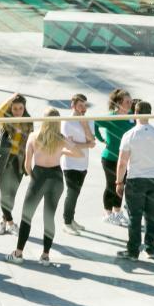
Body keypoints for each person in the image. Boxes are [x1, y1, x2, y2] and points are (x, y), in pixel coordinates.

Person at [8, 108, 81, 266]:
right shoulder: (61, 139)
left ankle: (18, 253)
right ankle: (45, 256)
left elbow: (27, 165)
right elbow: (79, 154)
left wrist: (32, 176)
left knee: (27, 216)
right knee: (49, 217)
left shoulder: (34, 137)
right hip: (56, 177)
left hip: (39, 176)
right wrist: (63, 152)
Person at [116, 101, 154, 261]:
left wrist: (119, 182)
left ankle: (133, 250)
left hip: (136, 179)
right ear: (150, 113)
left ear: (135, 113)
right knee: (152, 215)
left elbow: (122, 162)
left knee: (134, 216)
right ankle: (151, 248)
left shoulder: (129, 135)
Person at [0, 93, 32, 236]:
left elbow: (31, 144)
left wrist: (29, 162)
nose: (18, 111)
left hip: (18, 161)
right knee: (4, 193)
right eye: (14, 108)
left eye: (21, 108)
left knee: (11, 194)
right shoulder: (6, 120)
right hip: (3, 160)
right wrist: (9, 100)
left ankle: (3, 222)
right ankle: (10, 222)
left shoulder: (29, 122)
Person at [95, 88, 135, 226]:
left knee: (121, 186)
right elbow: (95, 123)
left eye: (131, 101)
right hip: (110, 158)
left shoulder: (131, 117)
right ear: (118, 103)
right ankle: (108, 214)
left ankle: (117, 212)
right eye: (127, 102)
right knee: (111, 185)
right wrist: (101, 139)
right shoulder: (111, 116)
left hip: (124, 159)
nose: (130, 104)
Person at [60, 94, 96, 235]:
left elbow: (92, 141)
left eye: (85, 105)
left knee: (76, 193)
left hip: (83, 163)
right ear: (73, 105)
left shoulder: (88, 120)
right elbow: (68, 144)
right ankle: (66, 223)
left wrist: (85, 125)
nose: (83, 108)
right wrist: (86, 144)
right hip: (70, 164)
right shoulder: (67, 121)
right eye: (80, 105)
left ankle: (71, 219)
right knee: (72, 193)